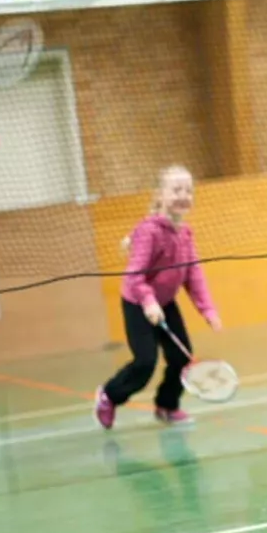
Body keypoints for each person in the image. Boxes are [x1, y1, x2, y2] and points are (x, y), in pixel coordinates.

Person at [95, 165, 222, 429]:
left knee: (181, 358)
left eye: (188, 190)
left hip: (165, 302)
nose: (183, 195)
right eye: (176, 190)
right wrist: (148, 302)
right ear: (161, 195)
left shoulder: (185, 234)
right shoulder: (148, 231)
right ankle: (109, 395)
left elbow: (193, 274)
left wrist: (207, 310)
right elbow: (134, 274)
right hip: (137, 302)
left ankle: (167, 405)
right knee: (145, 363)